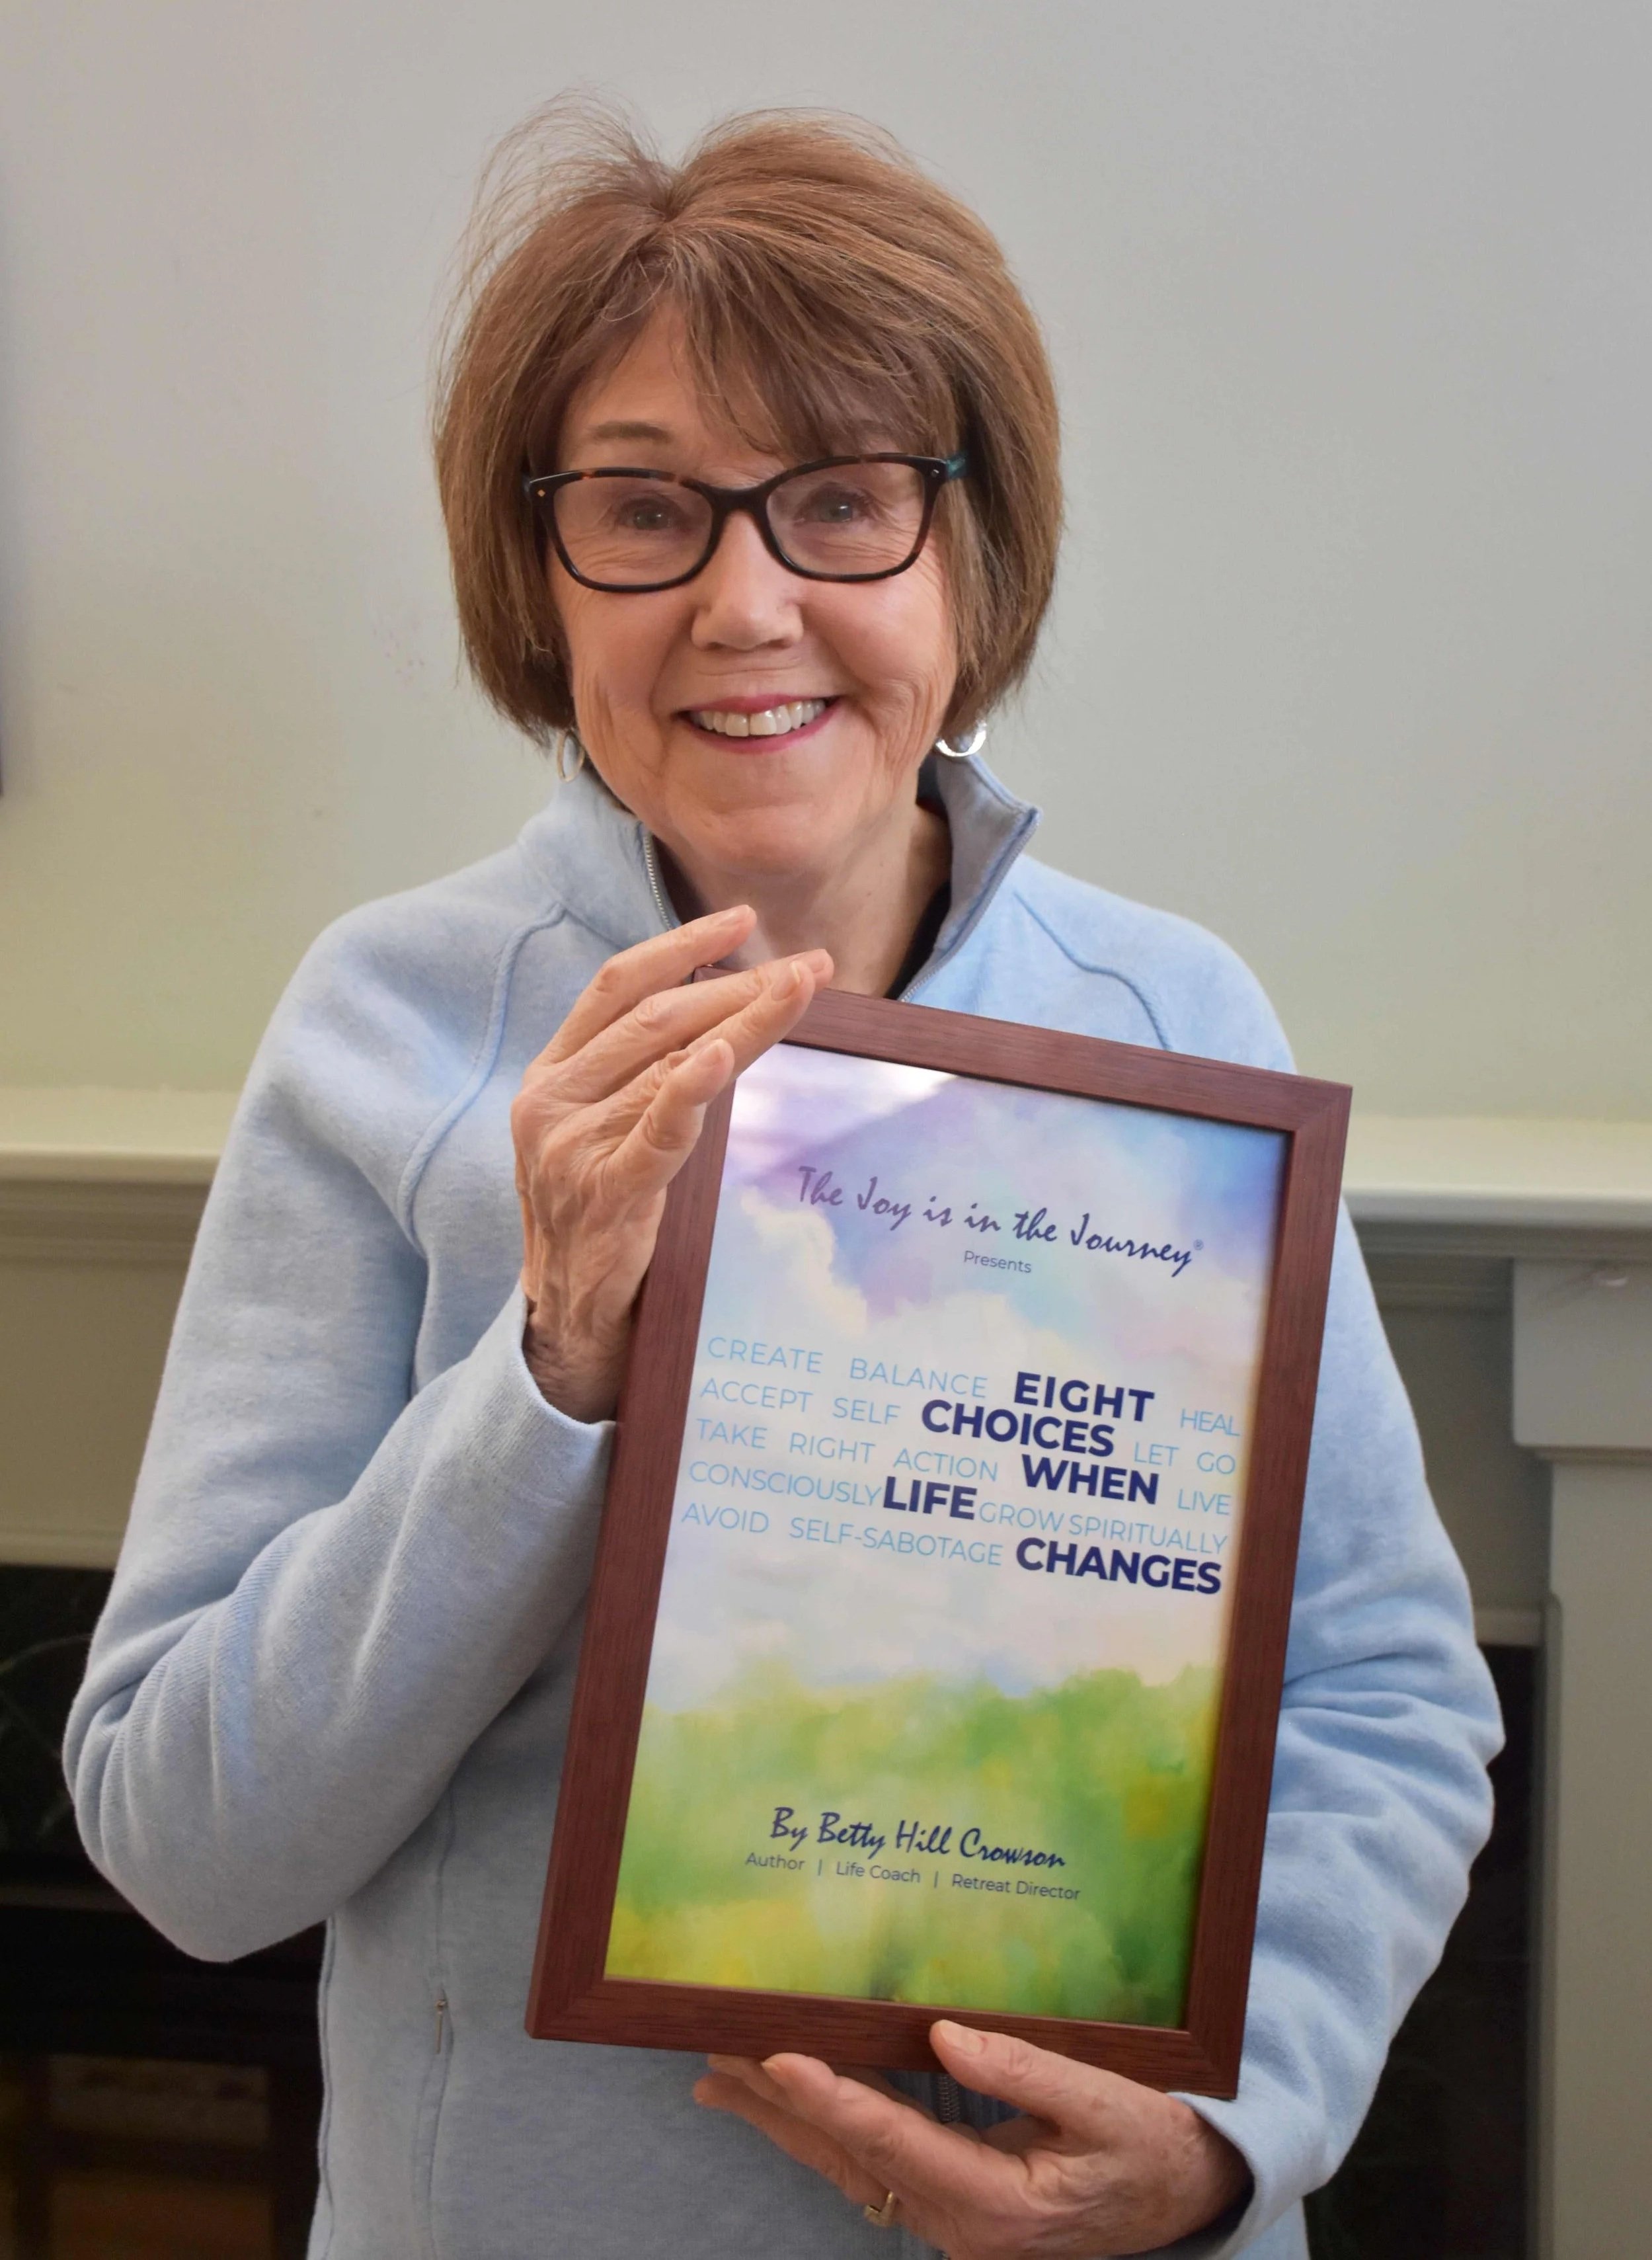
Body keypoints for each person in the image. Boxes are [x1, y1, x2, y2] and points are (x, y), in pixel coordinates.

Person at [65, 106, 1499, 2259]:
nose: (747, 604)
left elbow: (1383, 1693)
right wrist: (549, 1373)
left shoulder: (1173, 1029)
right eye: (642, 510)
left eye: (842, 502)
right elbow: (184, 1837)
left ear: (969, 556)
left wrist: (1227, 2136)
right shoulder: (382, 1030)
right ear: (535, 579)